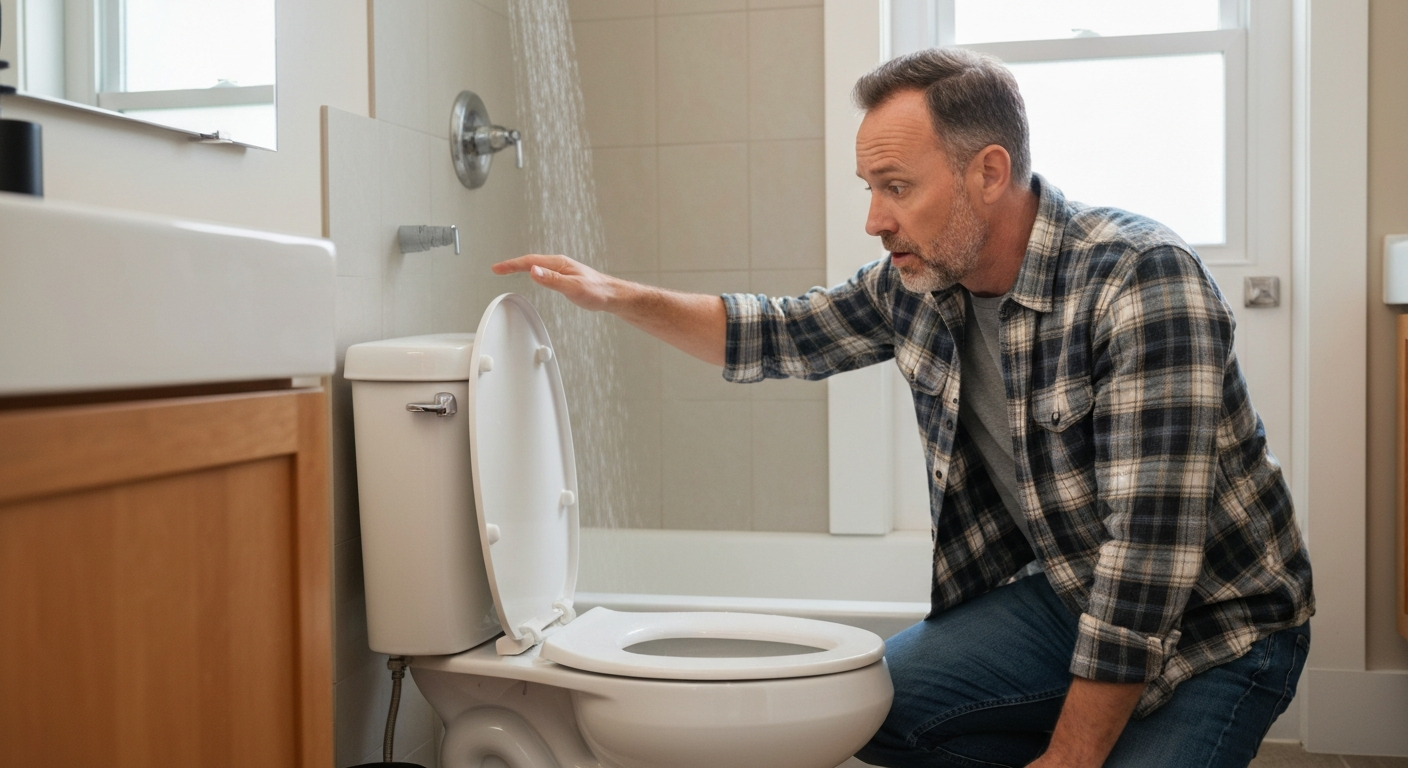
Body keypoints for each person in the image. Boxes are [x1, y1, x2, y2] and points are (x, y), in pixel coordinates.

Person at [494, 47, 1313, 768]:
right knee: (878, 715)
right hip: (1068, 594)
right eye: (870, 188)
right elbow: (778, 335)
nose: (874, 219)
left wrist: (1071, 754)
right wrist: (616, 295)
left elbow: (1146, 564)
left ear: (989, 173)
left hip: (1220, 629)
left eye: (896, 187)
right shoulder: (918, 283)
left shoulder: (1141, 280)